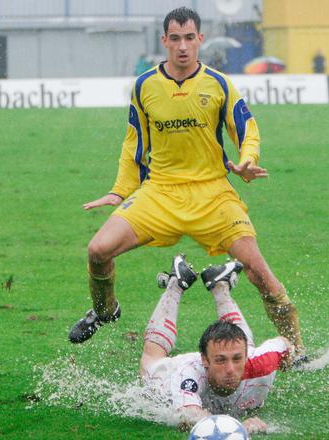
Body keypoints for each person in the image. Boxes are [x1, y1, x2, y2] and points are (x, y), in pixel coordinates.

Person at [68, 7, 306, 361]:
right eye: (175, 39)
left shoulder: (219, 83)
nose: (182, 47)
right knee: (97, 251)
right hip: (160, 194)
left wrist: (247, 161)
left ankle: (298, 349)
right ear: (164, 41)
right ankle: (105, 311)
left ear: (200, 40)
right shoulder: (145, 86)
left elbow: (246, 129)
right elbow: (134, 142)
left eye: (189, 38)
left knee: (260, 273)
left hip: (212, 194)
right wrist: (120, 190)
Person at [140, 255, 294, 434]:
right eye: (221, 360)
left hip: (242, 353)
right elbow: (189, 417)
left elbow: (284, 344)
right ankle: (176, 284)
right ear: (205, 360)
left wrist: (289, 359)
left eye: (237, 359)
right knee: (151, 360)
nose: (230, 369)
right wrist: (238, 428)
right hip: (169, 375)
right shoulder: (188, 375)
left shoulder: (262, 361)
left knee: (239, 342)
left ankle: (220, 285)